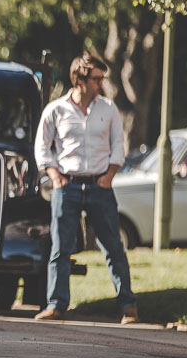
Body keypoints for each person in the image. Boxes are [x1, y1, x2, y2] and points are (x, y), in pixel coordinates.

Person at [34, 52, 138, 323]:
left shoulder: (108, 109)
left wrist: (110, 174)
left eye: (102, 78)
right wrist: (55, 176)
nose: (100, 84)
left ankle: (128, 306)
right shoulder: (56, 110)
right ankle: (56, 304)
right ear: (79, 79)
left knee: (114, 247)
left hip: (99, 186)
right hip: (67, 187)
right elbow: (42, 148)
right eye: (95, 78)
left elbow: (118, 145)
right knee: (60, 248)